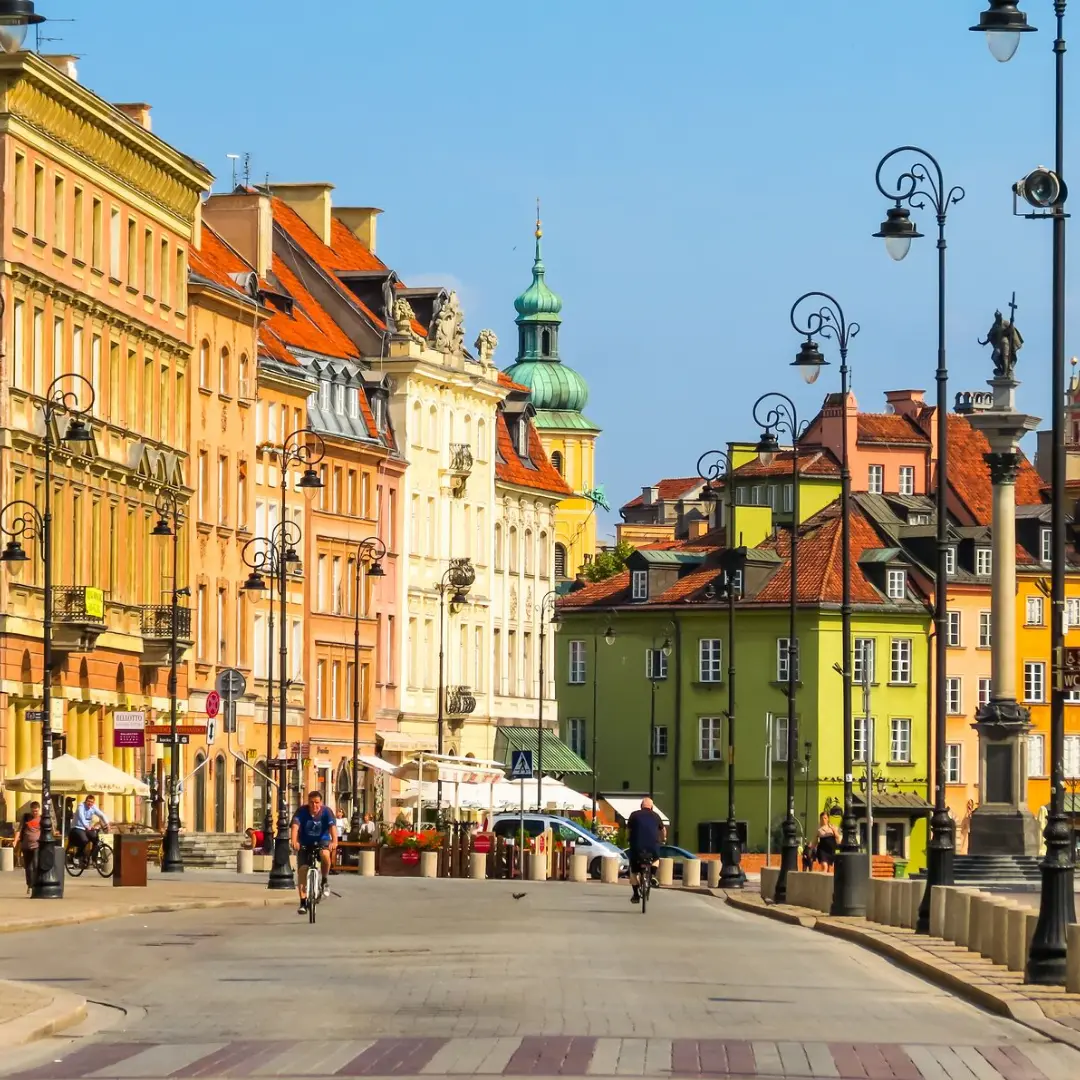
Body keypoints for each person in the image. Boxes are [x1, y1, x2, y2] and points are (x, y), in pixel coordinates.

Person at [290, 791, 337, 915]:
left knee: (325, 855)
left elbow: (332, 828)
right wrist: (294, 841)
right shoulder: (301, 811)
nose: (314, 805)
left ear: (321, 802)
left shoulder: (327, 812)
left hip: (322, 841)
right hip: (305, 842)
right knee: (302, 870)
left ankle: (324, 880)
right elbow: (295, 827)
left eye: (317, 802)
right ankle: (303, 903)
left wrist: (334, 841)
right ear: (308, 802)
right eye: (311, 802)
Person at [626, 797, 666, 904]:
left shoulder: (634, 815)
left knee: (633, 872)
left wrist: (628, 839)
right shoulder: (656, 816)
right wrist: (664, 839)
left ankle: (635, 894)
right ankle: (652, 875)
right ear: (652, 807)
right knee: (656, 859)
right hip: (652, 847)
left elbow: (628, 829)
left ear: (641, 806)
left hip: (637, 847)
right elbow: (663, 830)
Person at [70, 794, 109, 862]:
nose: (90, 803)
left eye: (92, 802)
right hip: (77, 827)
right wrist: (87, 826)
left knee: (96, 840)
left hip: (86, 828)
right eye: (88, 801)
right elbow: (81, 817)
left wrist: (107, 824)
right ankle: (78, 855)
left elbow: (101, 815)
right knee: (84, 840)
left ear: (93, 802)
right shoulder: (81, 806)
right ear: (85, 801)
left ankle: (91, 857)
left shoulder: (93, 807)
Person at [14, 801, 41, 895]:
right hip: (26, 846)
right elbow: (19, 829)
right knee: (28, 867)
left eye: (36, 811)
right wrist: (15, 841)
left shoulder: (41, 819)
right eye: (33, 811)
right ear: (31, 810)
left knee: (36, 865)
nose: (35, 813)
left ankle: (36, 884)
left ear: (39, 810)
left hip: (37, 846)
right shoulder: (26, 817)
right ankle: (30, 885)